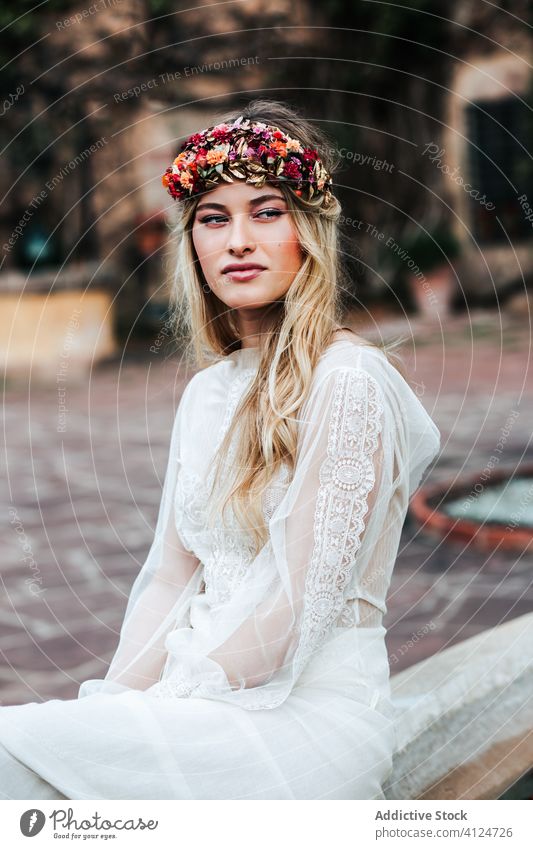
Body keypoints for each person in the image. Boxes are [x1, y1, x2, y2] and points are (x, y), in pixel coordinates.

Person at [0, 99, 440, 800]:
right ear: (193, 242)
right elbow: (172, 579)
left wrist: (167, 701)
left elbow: (295, 611)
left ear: (309, 232)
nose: (238, 239)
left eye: (266, 211)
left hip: (305, 718)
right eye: (214, 217)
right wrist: (114, 701)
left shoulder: (348, 380)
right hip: (203, 700)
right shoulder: (207, 393)